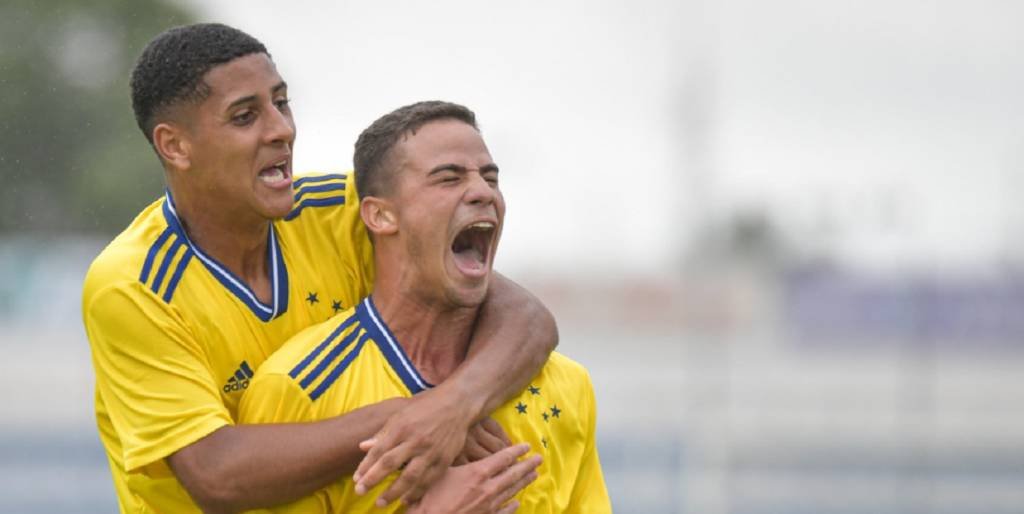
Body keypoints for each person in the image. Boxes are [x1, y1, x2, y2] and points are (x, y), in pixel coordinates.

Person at [82, 23, 557, 513]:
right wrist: (405, 418)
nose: (282, 129)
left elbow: (524, 315)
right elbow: (217, 476)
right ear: (176, 147)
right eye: (245, 116)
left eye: (281, 103)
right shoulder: (131, 284)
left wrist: (453, 406)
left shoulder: (340, 208)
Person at [240, 101, 611, 513]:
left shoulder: (565, 385)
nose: (483, 192)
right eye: (448, 178)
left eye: (491, 178)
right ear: (380, 216)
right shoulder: (296, 389)